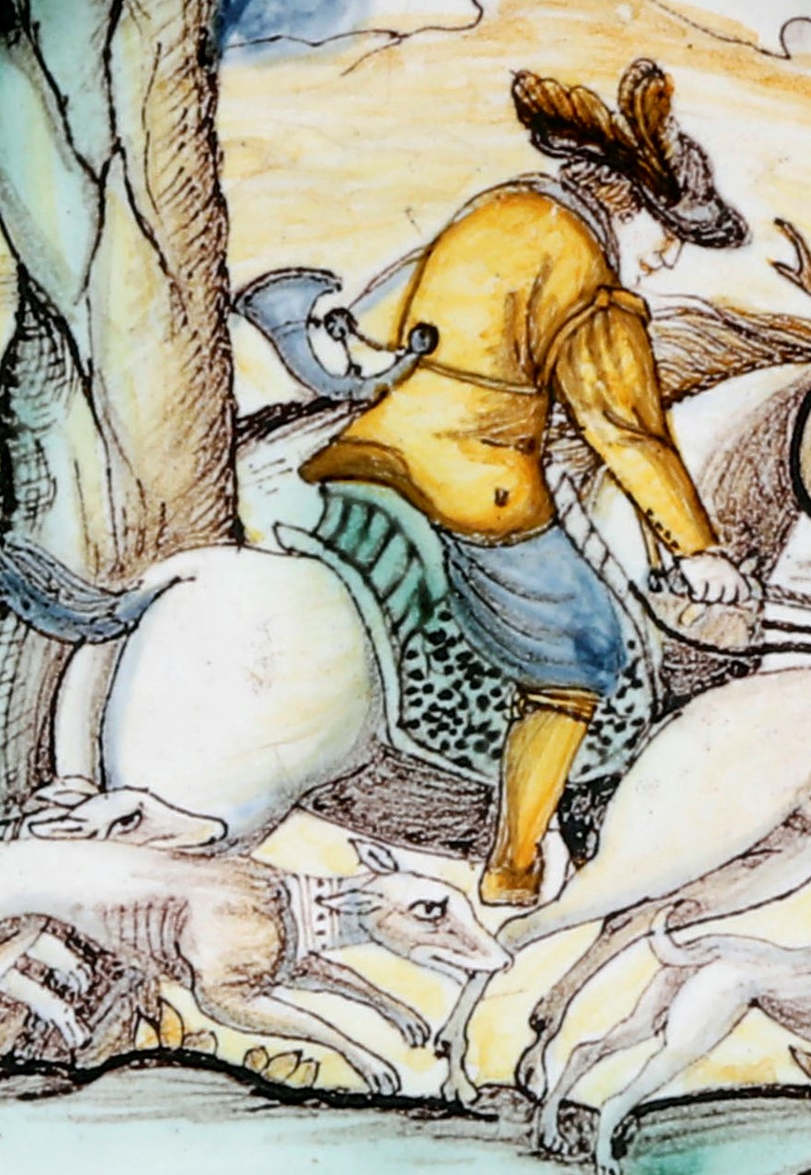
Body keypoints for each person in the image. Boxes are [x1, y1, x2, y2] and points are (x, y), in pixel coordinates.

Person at [305, 59, 759, 905]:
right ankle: (514, 867)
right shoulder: (588, 274)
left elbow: (382, 321)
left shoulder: (504, 208)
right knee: (587, 649)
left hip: (372, 451)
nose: (668, 257)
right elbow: (625, 427)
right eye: (671, 233)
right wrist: (697, 549)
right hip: (475, 483)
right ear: (633, 205)